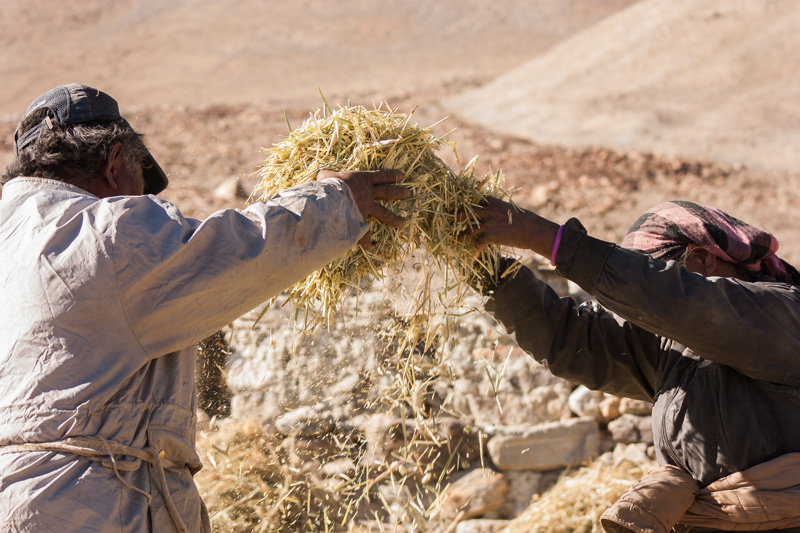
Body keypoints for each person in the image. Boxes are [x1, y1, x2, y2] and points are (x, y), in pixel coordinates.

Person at [0, 83, 410, 532]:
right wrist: (338, 200)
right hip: (84, 503)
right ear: (115, 163)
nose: (142, 200)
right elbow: (238, 254)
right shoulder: (107, 232)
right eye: (140, 186)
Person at [467, 197, 800, 532]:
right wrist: (484, 267)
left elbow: (671, 299)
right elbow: (574, 341)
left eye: (657, 274)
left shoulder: (783, 313)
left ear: (702, 259)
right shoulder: (674, 346)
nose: (640, 311)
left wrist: (544, 237)